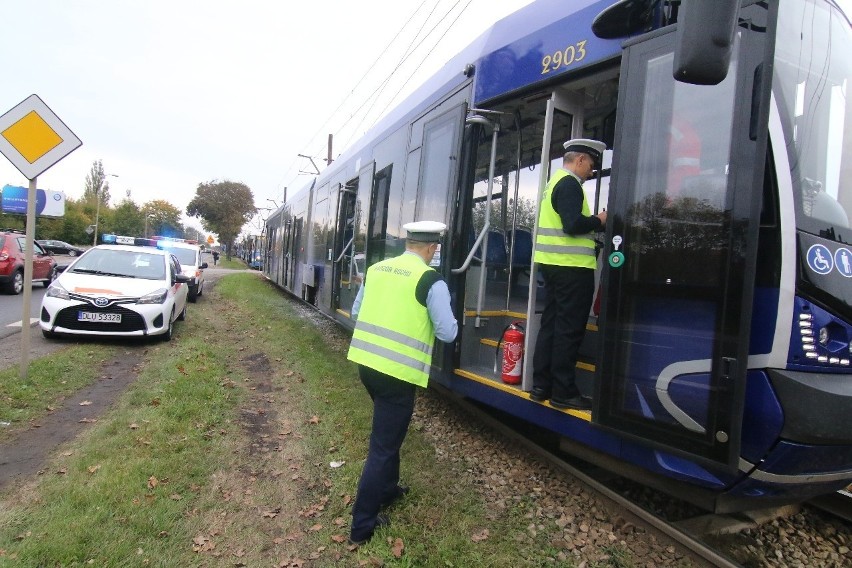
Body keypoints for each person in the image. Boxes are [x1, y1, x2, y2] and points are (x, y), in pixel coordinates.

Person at [346, 220, 458, 545]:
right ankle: (362, 526)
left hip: (367, 367)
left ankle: (389, 489)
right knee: (382, 447)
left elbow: (356, 311)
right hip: (397, 375)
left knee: (388, 434)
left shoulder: (378, 269)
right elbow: (447, 333)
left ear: (408, 242)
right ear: (431, 248)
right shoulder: (431, 280)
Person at [530, 138, 607, 411]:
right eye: (591, 166)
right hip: (572, 269)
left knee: (551, 325)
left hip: (553, 266)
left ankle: (541, 386)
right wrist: (599, 220)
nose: (591, 172)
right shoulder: (570, 184)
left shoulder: (554, 183)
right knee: (568, 330)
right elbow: (573, 224)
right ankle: (564, 392)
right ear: (581, 160)